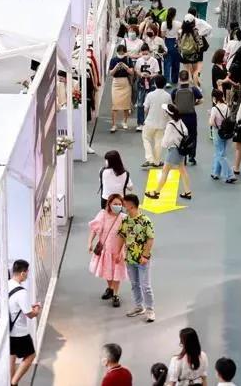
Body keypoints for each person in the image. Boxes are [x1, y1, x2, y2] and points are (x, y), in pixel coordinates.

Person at [117, 194, 156, 323]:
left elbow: (150, 239)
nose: (123, 206)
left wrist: (145, 255)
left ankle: (150, 310)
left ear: (131, 205)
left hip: (142, 260)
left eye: (125, 204)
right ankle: (139, 306)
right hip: (130, 259)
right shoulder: (125, 220)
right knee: (134, 284)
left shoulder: (145, 221)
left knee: (145, 286)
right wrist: (118, 252)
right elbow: (122, 236)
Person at [145, 104, 192, 202]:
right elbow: (186, 132)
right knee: (182, 170)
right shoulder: (180, 121)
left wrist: (165, 144)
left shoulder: (170, 125)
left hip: (173, 150)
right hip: (181, 149)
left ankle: (156, 192)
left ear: (168, 114)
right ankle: (188, 192)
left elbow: (165, 142)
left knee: (165, 171)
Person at [88, 194, 127, 307]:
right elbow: (94, 230)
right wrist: (90, 242)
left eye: (119, 204)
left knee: (117, 273)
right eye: (115, 204)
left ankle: (115, 295)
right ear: (109, 204)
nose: (117, 206)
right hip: (105, 250)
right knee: (107, 271)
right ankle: (110, 288)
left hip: (118, 250)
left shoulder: (124, 218)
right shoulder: (102, 214)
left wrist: (122, 251)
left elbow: (126, 236)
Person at [8, 259, 41, 386]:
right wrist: (36, 310)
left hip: (9, 331)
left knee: (12, 356)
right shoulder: (21, 292)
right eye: (27, 272)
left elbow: (16, 306)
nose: (27, 275)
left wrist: (29, 306)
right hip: (19, 332)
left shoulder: (6, 285)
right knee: (30, 356)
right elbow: (30, 314)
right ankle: (14, 382)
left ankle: (10, 382)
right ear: (22, 273)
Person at [171, 70, 202, 166]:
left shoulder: (175, 91)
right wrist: (194, 104)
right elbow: (201, 99)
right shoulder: (193, 89)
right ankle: (191, 157)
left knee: (180, 136)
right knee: (192, 136)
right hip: (191, 116)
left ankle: (182, 156)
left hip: (180, 117)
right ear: (188, 78)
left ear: (179, 79)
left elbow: (173, 103)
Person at [142, 74, 171, 168]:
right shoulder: (167, 96)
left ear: (154, 83)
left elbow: (145, 108)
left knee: (146, 139)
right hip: (162, 123)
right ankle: (157, 161)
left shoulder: (150, 95)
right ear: (165, 84)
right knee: (158, 141)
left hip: (150, 122)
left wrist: (146, 116)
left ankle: (149, 158)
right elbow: (169, 109)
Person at [209, 89, 236, 183]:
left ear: (214, 98)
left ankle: (230, 175)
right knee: (220, 152)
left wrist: (216, 126)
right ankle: (215, 173)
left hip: (218, 132)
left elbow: (211, 122)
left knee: (221, 154)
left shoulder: (214, 109)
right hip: (227, 131)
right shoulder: (227, 107)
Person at [134, 43, 160, 132]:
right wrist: (141, 74)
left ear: (149, 52)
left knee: (152, 103)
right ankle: (140, 123)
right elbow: (136, 70)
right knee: (140, 103)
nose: (145, 55)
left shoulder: (154, 61)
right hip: (141, 83)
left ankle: (151, 122)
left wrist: (150, 76)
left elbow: (157, 72)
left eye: (146, 53)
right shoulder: (139, 60)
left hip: (151, 83)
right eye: (143, 53)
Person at [109, 44, 133, 132]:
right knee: (115, 105)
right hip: (116, 83)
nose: (121, 54)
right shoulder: (113, 60)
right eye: (119, 52)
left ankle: (125, 122)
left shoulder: (128, 59)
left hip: (125, 82)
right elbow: (111, 73)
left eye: (122, 52)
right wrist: (116, 67)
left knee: (126, 105)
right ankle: (114, 124)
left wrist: (125, 67)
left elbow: (131, 72)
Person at [177, 16, 204, 86]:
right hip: (194, 54)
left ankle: (187, 85)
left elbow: (177, 43)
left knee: (187, 71)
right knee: (195, 71)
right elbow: (200, 43)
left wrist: (180, 51)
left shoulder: (180, 31)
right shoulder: (195, 31)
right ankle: (196, 86)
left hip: (184, 54)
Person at [161, 7, 181, 85]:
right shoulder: (179, 23)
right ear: (175, 15)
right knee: (176, 62)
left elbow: (162, 35)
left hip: (167, 42)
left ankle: (167, 81)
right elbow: (180, 34)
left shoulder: (164, 24)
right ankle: (175, 79)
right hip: (175, 43)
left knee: (167, 63)